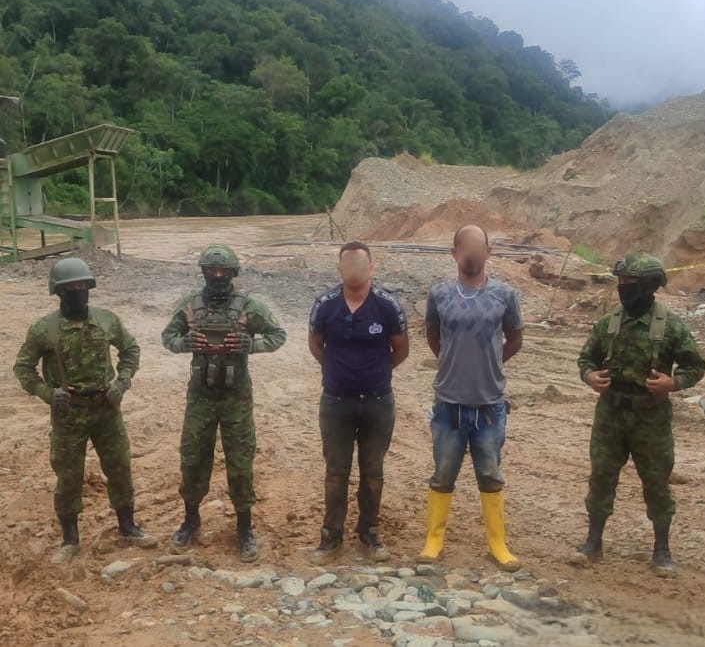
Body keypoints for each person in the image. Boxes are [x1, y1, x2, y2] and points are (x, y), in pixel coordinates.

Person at [14, 257, 156, 564]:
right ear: (59, 291)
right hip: (68, 416)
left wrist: (123, 382)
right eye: (72, 287)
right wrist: (47, 394)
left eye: (83, 286)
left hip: (106, 409)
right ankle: (70, 538)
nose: (79, 291)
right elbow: (23, 368)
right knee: (68, 476)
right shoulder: (44, 329)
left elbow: (130, 349)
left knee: (119, 467)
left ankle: (127, 526)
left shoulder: (106, 320)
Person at [574, 252, 705, 575]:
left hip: (651, 418)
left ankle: (661, 550)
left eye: (629, 283)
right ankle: (593, 542)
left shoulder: (670, 326)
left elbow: (696, 364)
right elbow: (586, 359)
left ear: (648, 286)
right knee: (601, 478)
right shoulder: (608, 323)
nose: (623, 288)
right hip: (611, 414)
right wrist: (590, 376)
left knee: (657, 482)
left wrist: (672, 383)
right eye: (621, 282)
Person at [161, 244, 286, 562]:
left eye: (223, 271)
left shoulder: (249, 306)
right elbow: (168, 337)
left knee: (241, 464)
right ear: (203, 272)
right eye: (211, 271)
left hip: (236, 399)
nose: (217, 276)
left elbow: (278, 335)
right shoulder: (191, 305)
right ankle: (190, 520)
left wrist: (251, 344)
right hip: (201, 398)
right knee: (192, 459)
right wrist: (184, 342)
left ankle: (244, 529)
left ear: (233, 274)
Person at [418, 225, 524, 571]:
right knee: (443, 474)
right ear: (454, 253)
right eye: (466, 247)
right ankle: (434, 541)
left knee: (491, 475)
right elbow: (432, 335)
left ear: (489, 252)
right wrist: (452, 361)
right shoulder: (439, 294)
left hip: (490, 407)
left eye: (479, 247)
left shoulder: (505, 295)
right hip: (448, 403)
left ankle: (497, 544)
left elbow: (515, 339)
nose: (472, 254)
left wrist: (489, 364)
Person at [308, 241, 409, 563]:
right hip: (336, 403)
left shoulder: (388, 306)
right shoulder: (324, 305)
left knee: (372, 472)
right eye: (347, 265)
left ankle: (369, 533)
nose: (354, 271)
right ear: (339, 270)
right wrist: (339, 372)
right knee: (336, 472)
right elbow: (316, 346)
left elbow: (401, 351)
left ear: (372, 268)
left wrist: (375, 373)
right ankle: (331, 537)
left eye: (360, 265)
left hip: (377, 403)